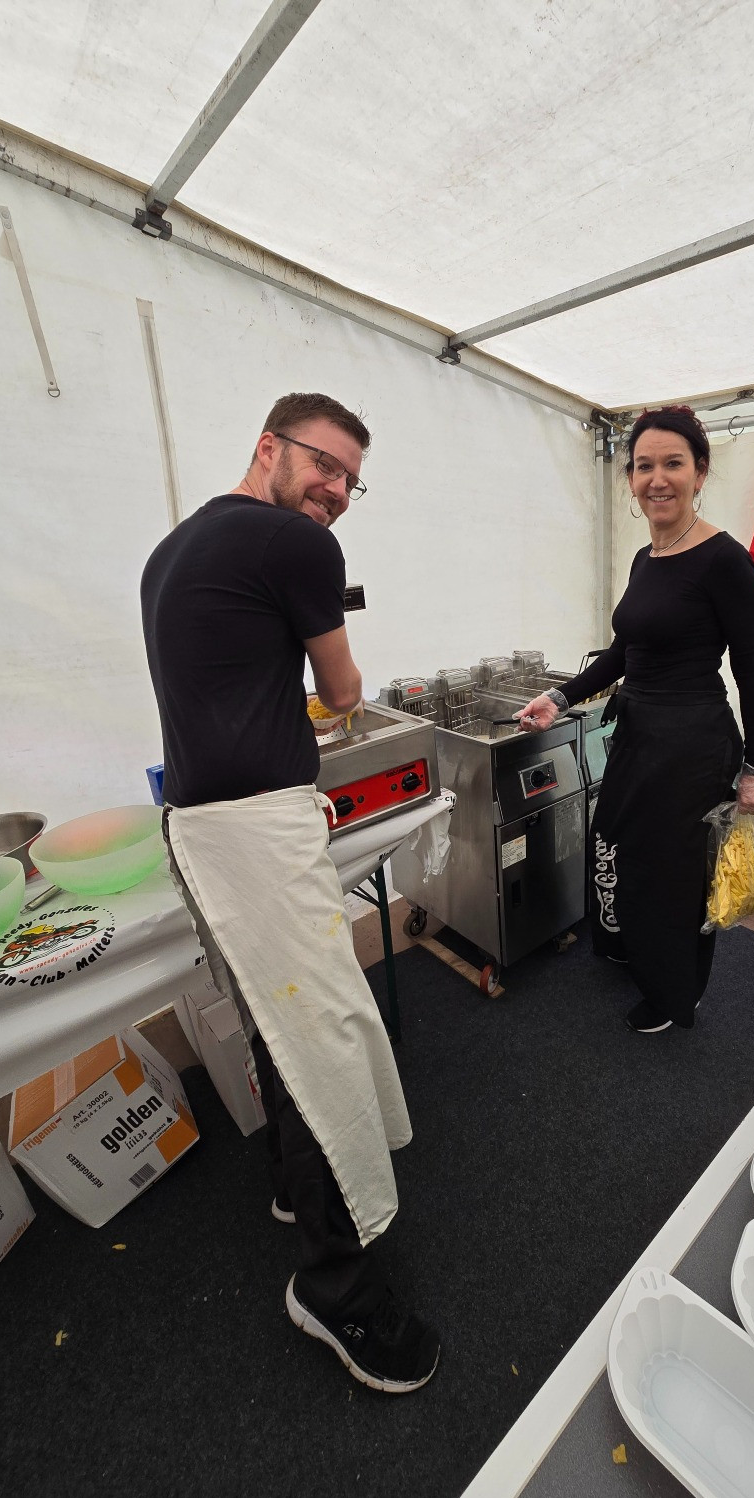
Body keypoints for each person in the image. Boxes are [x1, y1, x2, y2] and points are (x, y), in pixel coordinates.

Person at [140, 392, 439, 1393]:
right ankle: (335, 1289)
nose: (337, 489)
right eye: (323, 463)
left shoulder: (170, 551)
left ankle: (290, 1187)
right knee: (325, 1041)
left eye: (352, 479)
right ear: (268, 446)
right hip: (256, 835)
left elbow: (227, 688)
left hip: (195, 828)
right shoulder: (297, 545)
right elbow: (343, 694)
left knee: (275, 1021)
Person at [515, 405, 754, 1034]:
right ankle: (635, 949)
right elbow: (624, 653)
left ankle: (673, 995)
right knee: (619, 846)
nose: (657, 479)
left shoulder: (725, 561)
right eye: (643, 466)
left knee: (672, 876)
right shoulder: (645, 557)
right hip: (637, 732)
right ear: (630, 477)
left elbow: (752, 672)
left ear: (700, 472)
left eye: (673, 464)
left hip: (692, 744)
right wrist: (561, 697)